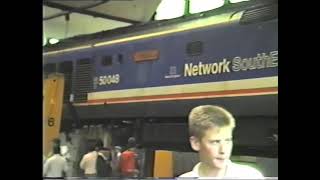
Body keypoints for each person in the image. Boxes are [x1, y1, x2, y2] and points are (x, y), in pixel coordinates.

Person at [179, 105, 264, 178]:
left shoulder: (251, 176)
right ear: (195, 143)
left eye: (228, 141)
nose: (223, 150)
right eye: (215, 142)